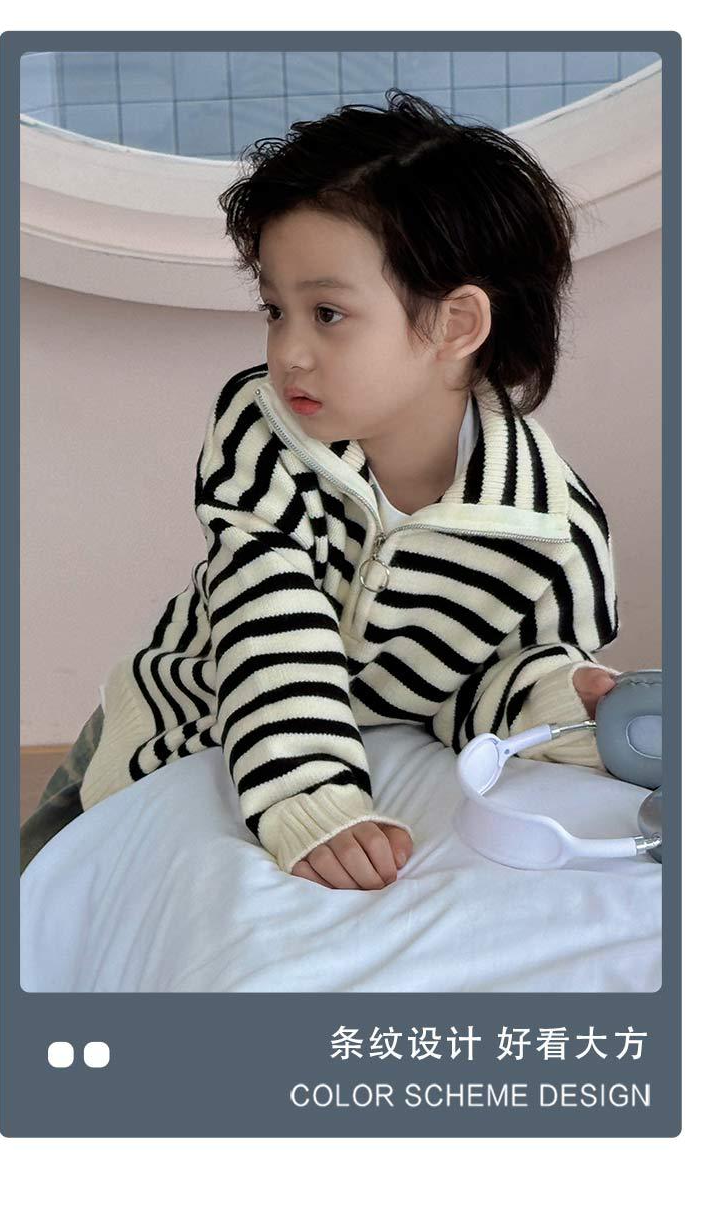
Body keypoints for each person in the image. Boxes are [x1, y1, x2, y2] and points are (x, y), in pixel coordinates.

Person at [79, 91, 621, 891]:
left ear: (456, 325)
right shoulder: (264, 431)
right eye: (275, 310)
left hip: (373, 736)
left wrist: (565, 698)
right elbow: (269, 619)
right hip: (180, 713)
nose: (287, 352)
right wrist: (312, 801)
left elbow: (484, 684)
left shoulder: (552, 532)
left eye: (327, 313)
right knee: (32, 895)